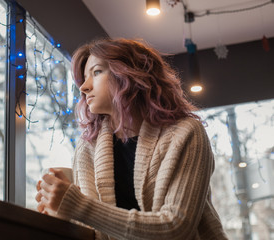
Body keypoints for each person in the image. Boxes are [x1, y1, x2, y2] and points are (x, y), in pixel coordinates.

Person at [35, 38, 228, 240]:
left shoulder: (186, 133)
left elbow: (175, 228)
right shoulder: (87, 147)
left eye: (97, 72)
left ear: (130, 74)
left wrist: (77, 205)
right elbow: (95, 226)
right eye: (84, 78)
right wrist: (60, 209)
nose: (84, 87)